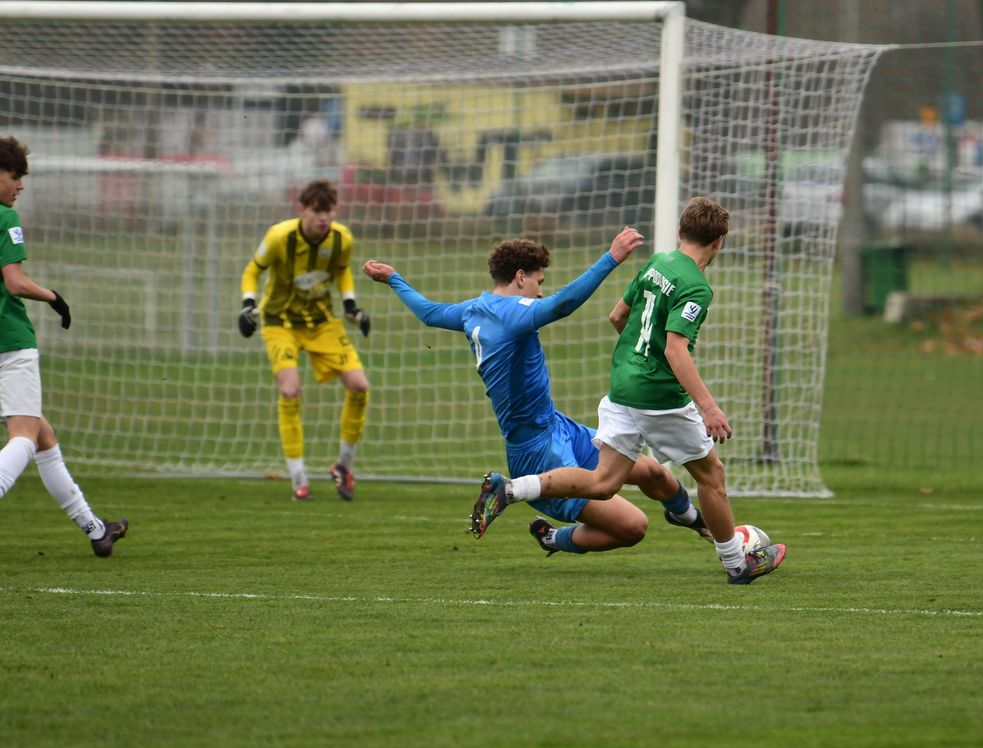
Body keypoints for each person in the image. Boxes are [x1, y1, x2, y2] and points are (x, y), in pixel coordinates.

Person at [470, 198, 786, 584]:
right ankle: (737, 563)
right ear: (719, 242)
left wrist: (637, 362)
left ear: (680, 232)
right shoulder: (697, 287)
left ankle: (513, 489)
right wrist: (709, 407)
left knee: (605, 482)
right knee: (711, 475)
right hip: (659, 397)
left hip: (621, 388)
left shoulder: (655, 265)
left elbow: (617, 315)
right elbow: (674, 349)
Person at [361, 227, 715, 554]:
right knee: (633, 527)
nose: (541, 290)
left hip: (558, 427)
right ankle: (552, 537)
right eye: (539, 281)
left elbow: (429, 313)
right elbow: (562, 304)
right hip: (537, 452)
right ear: (520, 277)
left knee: (654, 473)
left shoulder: (473, 310)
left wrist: (394, 279)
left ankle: (696, 522)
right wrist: (612, 257)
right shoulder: (513, 314)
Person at [0, 135, 128, 557]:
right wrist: (54, 297)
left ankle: (95, 529)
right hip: (10, 343)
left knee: (43, 437)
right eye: (15, 176)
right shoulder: (5, 218)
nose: (20, 186)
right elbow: (15, 282)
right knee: (23, 435)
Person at [239, 180, 370, 502]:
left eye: (328, 211)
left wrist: (351, 305)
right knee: (290, 389)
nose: (323, 218)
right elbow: (252, 271)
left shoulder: (342, 239)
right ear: (303, 210)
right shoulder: (279, 237)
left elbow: (342, 272)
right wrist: (247, 305)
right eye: (316, 211)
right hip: (279, 321)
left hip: (322, 321)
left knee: (359, 386)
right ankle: (299, 479)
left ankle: (344, 467)